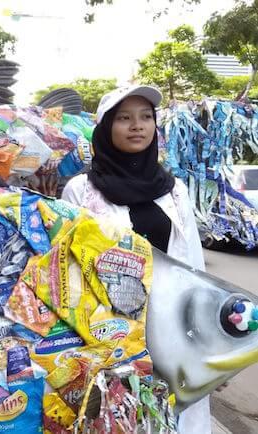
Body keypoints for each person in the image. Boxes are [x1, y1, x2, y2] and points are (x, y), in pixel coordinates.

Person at [61, 85, 211, 433]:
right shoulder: (81, 190)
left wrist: (203, 331)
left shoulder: (175, 190)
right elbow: (68, 268)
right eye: (124, 118)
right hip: (107, 331)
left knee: (177, 412)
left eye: (145, 117)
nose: (137, 126)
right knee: (116, 415)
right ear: (105, 128)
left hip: (172, 326)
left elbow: (192, 262)